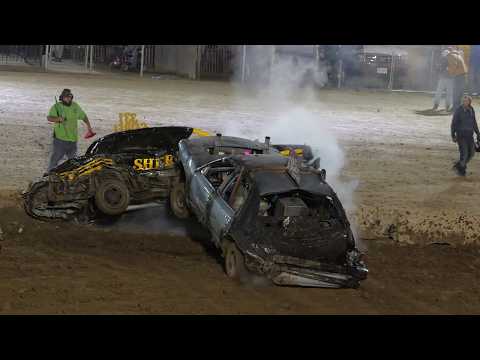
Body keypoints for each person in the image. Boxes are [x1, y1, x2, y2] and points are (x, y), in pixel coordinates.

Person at [46, 89, 94, 172]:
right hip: (60, 140)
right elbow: (49, 118)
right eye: (66, 97)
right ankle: (48, 175)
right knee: (54, 161)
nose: (68, 99)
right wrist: (58, 119)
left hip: (73, 140)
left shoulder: (75, 106)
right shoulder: (56, 107)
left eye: (70, 97)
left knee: (74, 162)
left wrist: (89, 127)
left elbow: (83, 116)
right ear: (62, 98)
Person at [451, 95, 480, 176]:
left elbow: (474, 122)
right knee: (465, 154)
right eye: (463, 101)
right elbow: (453, 124)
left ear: (469, 102)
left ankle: (460, 165)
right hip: (461, 136)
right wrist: (453, 135)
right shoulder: (458, 110)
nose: (465, 102)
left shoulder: (471, 109)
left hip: (470, 135)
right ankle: (461, 170)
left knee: (472, 153)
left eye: (466, 101)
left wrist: (478, 133)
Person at [432, 47, 453, 111]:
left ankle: (443, 105)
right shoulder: (447, 56)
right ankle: (439, 105)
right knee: (443, 92)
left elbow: (439, 67)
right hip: (445, 78)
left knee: (443, 92)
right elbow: (439, 67)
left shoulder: (450, 57)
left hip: (448, 78)